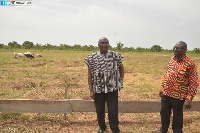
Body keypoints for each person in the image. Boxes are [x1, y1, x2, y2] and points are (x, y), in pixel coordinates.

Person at [153, 41, 199, 133]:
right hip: (166, 93)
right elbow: (166, 75)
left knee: (177, 115)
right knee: (164, 112)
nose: (175, 49)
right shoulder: (171, 60)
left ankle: (177, 130)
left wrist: (189, 99)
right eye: (174, 47)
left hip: (179, 95)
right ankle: (163, 129)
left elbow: (194, 82)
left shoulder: (189, 63)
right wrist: (162, 88)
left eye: (178, 48)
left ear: (184, 50)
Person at [84, 37, 124, 133]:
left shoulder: (115, 56)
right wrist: (91, 90)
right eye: (102, 43)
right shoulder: (91, 58)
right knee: (100, 110)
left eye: (106, 43)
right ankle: (102, 127)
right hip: (98, 89)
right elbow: (89, 75)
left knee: (113, 110)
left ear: (108, 44)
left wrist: (120, 81)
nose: (104, 44)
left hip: (112, 88)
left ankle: (115, 128)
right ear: (98, 45)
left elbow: (122, 68)